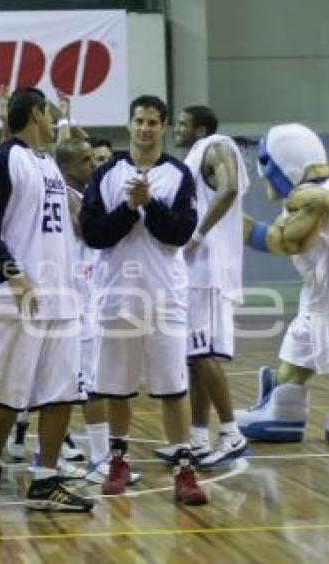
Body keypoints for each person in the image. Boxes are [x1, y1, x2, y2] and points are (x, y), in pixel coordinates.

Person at [0, 87, 93, 512]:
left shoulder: (51, 166)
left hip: (61, 300)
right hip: (16, 298)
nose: (54, 118)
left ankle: (46, 480)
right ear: (36, 114)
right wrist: (14, 277)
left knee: (62, 392)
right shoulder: (2, 160)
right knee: (6, 394)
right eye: (49, 112)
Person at [79, 94, 207, 505]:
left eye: (153, 122)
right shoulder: (107, 174)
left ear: (164, 126)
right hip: (116, 295)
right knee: (116, 388)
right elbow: (94, 234)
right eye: (139, 120)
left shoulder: (178, 175)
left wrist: (148, 204)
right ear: (129, 123)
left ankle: (185, 469)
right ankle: (118, 460)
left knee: (172, 387)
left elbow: (180, 233)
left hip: (165, 295)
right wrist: (129, 209)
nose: (145, 128)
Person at [235, 123, 329, 443]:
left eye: (268, 165)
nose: (265, 176)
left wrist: (239, 225)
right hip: (318, 288)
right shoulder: (307, 195)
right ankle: (283, 410)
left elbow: (287, 241)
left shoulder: (317, 196)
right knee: (298, 348)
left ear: (286, 163)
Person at [152, 105, 250, 467]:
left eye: (182, 124)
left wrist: (197, 234)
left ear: (201, 127)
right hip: (195, 271)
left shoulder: (216, 147)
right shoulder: (195, 157)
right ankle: (197, 437)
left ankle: (231, 433)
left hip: (208, 271)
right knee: (194, 358)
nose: (176, 129)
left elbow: (229, 189)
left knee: (203, 354)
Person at [54, 137, 141, 485]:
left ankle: (70, 454)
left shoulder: (76, 193)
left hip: (83, 298)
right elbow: (88, 232)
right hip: (76, 301)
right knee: (93, 386)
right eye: (87, 160)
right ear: (67, 168)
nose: (95, 165)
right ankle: (99, 459)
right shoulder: (67, 196)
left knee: (81, 385)